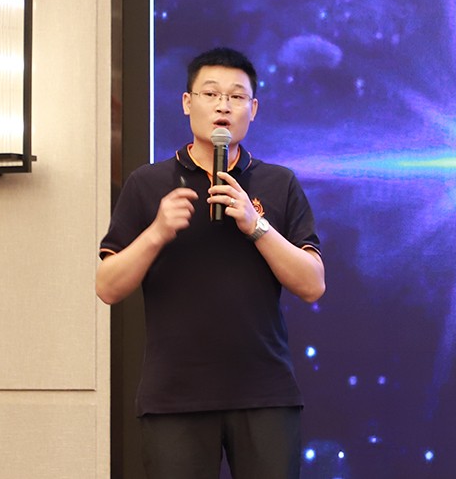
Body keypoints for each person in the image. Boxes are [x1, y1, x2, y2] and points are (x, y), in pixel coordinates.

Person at [96, 47, 325, 479]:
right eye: (211, 94)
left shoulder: (279, 183)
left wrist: (256, 225)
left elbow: (312, 284)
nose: (224, 106)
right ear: (187, 103)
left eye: (237, 97)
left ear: (253, 109)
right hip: (174, 397)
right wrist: (157, 231)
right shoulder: (148, 184)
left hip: (264, 394)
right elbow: (107, 286)